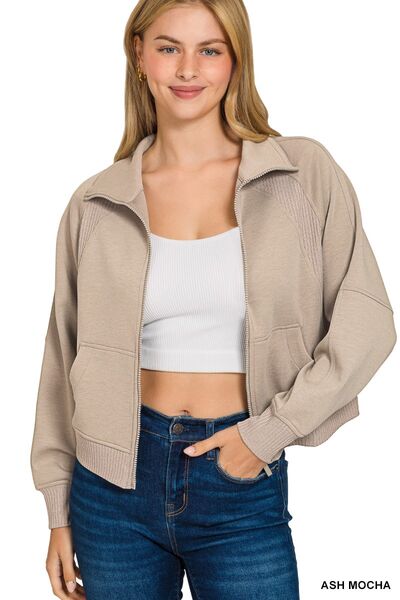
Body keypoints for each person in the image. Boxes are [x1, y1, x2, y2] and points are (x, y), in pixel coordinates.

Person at [30, 1, 397, 599]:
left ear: (235, 60)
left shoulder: (300, 174)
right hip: (111, 487)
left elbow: (368, 321)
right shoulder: (96, 202)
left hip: (239, 475)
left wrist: (265, 436)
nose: (187, 69)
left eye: (210, 50)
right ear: (139, 54)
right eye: (168, 47)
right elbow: (61, 361)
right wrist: (58, 510)